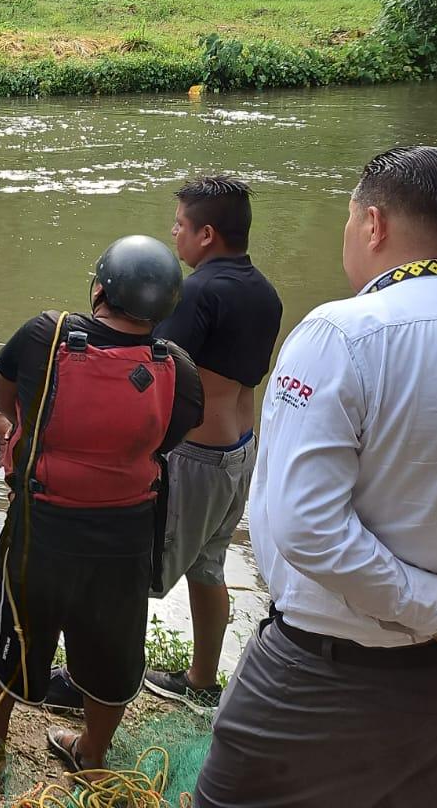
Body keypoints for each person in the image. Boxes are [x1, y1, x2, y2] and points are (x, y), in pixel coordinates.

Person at [195, 146, 437, 808]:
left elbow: (306, 527)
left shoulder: (342, 335)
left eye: (349, 221)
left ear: (373, 224)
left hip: (328, 673)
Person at [0, 235, 203, 776]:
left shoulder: (45, 336)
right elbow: (168, 438)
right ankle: (91, 754)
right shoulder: (180, 371)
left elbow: (6, 397)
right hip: (126, 538)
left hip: (43, 528)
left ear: (100, 289)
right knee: (113, 648)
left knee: (8, 635)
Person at [133, 177, 281, 711]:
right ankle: (201, 681)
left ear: (207, 234)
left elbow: (159, 372)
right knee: (208, 566)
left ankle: (104, 682)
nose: (173, 233)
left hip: (195, 458)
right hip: (241, 452)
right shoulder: (266, 292)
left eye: (180, 225)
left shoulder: (197, 291)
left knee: (135, 570)